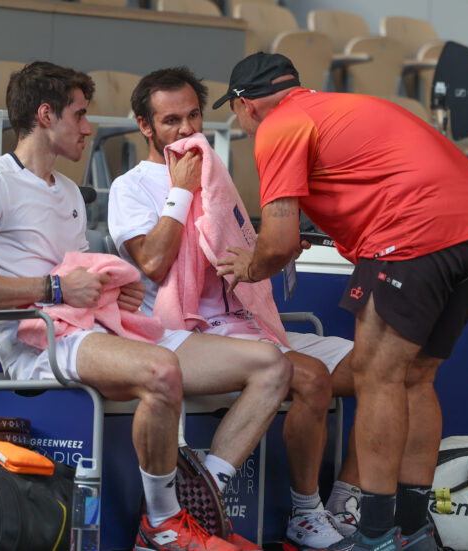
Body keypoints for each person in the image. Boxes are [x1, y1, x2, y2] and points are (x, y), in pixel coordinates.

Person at [0, 61, 292, 551]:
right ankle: (163, 525)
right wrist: (55, 292)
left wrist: (111, 288)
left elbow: (78, 278)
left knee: (272, 365)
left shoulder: (70, 194)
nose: (88, 127)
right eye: (79, 115)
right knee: (162, 371)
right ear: (46, 115)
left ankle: (202, 494)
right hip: (38, 345)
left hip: (97, 330)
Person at [213, 53, 468, 551]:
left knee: (377, 376)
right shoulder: (342, 106)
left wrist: (250, 266)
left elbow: (278, 242)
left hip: (415, 234)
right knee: (416, 378)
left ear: (245, 106)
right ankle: (414, 529)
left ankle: (374, 533)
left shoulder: (277, 126)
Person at [106, 66, 360, 550]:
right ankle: (305, 515)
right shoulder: (131, 186)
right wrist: (180, 190)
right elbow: (155, 264)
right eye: (170, 121)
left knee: (379, 370)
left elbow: (234, 259)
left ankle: (347, 504)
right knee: (308, 376)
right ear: (144, 126)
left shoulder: (216, 172)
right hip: (186, 332)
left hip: (248, 323)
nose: (186, 131)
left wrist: (271, 250)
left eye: (194, 116)